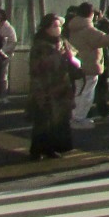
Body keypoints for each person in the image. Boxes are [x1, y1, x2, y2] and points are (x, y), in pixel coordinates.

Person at [26, 13, 79, 160]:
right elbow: (36, 69)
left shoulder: (63, 43)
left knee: (59, 120)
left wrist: (71, 59)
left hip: (62, 86)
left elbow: (75, 58)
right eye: (55, 26)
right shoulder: (40, 46)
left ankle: (52, 148)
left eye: (59, 26)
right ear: (46, 28)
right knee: (43, 120)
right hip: (45, 87)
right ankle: (37, 150)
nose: (58, 29)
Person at [64, 3, 109, 126]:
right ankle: (79, 118)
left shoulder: (73, 27)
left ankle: (76, 116)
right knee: (87, 94)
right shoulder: (88, 29)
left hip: (78, 65)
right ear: (91, 14)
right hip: (89, 65)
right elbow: (104, 40)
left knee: (79, 92)